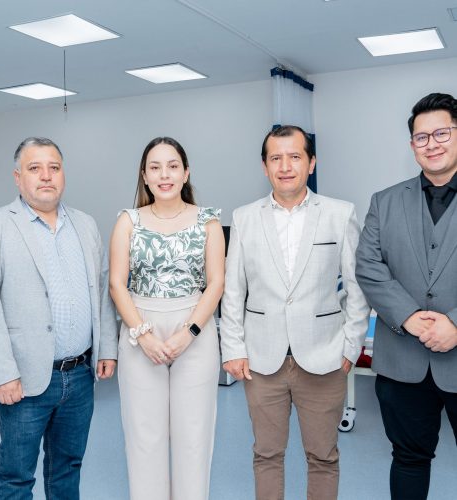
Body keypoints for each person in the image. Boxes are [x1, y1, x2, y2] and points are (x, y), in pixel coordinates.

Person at [220, 125, 370, 500]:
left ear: (311, 162)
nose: (285, 166)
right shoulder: (244, 217)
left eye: (295, 157)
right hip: (261, 360)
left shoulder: (340, 214)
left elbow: (357, 286)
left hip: (325, 357)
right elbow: (234, 289)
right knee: (266, 455)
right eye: (276, 158)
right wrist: (233, 348)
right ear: (264, 166)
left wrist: (351, 346)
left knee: (323, 457)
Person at [0, 137, 118, 500]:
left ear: (63, 174)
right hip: (24, 380)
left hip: (79, 376)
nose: (46, 176)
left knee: (68, 468)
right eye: (35, 168)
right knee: (16, 478)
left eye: (54, 167)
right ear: (18, 177)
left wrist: (107, 349)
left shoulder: (85, 225)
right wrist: (2, 372)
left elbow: (101, 290)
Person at [109, 136, 224, 500]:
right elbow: (116, 283)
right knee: (144, 436)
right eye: (155, 167)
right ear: (144, 176)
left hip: (195, 329)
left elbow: (216, 283)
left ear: (186, 172)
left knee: (194, 436)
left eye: (173, 166)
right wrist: (143, 335)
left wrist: (188, 333)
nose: (164, 175)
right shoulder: (128, 221)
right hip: (140, 329)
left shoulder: (208, 221)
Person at [356, 92, 457, 500]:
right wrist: (410, 316)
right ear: (412, 145)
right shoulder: (384, 202)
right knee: (408, 458)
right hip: (402, 361)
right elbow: (369, 267)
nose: (431, 144)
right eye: (421, 137)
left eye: (441, 133)